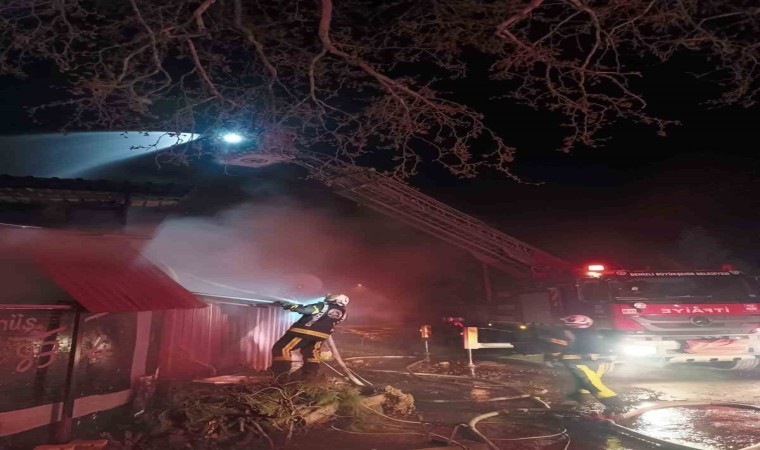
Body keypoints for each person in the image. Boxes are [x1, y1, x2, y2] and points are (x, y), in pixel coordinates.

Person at [540, 314, 626, 414]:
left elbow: (557, 348)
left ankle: (615, 405)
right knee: (581, 382)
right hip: (592, 363)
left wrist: (551, 358)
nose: (565, 326)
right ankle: (577, 399)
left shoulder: (573, 334)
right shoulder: (590, 334)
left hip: (584, 364)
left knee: (593, 385)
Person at [269, 293, 349, 381]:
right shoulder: (344, 313)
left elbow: (306, 310)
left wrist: (287, 305)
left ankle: (281, 375)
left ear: (335, 299)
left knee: (282, 348)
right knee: (311, 353)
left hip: (303, 332)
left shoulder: (322, 305)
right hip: (321, 336)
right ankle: (309, 376)